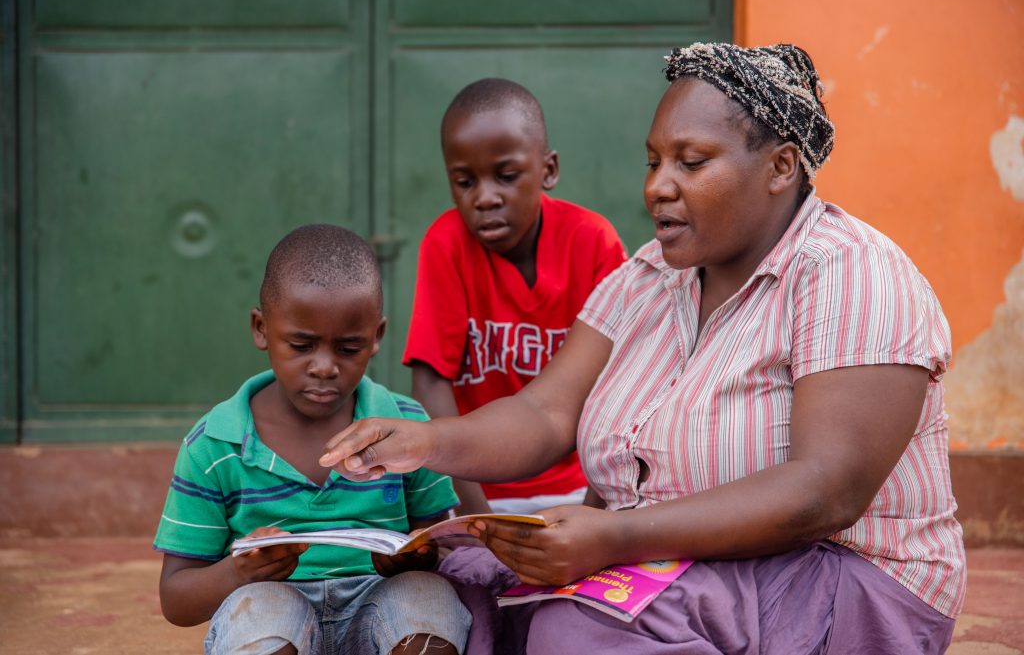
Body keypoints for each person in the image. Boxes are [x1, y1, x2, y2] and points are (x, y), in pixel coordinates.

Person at [321, 43, 966, 654]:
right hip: (673, 564)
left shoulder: (853, 273)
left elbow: (826, 492)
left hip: (838, 575)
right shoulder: (647, 278)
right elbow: (546, 414)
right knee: (462, 595)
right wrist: (424, 443)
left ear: (780, 167)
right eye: (653, 161)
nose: (658, 185)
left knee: (573, 632)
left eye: (691, 161)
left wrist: (617, 537)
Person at [153, 224, 470, 655]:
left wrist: (419, 557)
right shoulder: (214, 445)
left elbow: (448, 544)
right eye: (301, 345)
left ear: (376, 338)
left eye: (347, 348)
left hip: (381, 607)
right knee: (260, 610)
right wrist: (240, 573)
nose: (324, 367)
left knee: (427, 595)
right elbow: (176, 597)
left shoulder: (404, 428)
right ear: (261, 328)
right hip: (276, 607)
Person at [403, 77, 627, 515]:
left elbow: (622, 381)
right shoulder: (446, 243)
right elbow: (431, 383)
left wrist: (593, 511)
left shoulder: (592, 241)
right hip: (478, 490)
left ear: (549, 170)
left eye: (506, 176)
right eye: (464, 182)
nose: (485, 198)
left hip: (578, 486)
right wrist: (474, 515)